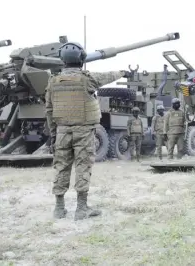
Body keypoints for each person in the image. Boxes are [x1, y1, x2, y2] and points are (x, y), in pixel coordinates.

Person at [45, 42, 124, 220]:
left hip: (62, 131)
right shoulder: (88, 79)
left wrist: (53, 134)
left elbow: (49, 111)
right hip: (84, 130)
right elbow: (109, 76)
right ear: (82, 58)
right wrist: (123, 73)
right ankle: (81, 209)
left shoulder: (53, 82)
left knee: (61, 167)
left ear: (62, 60)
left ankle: (59, 208)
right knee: (83, 166)